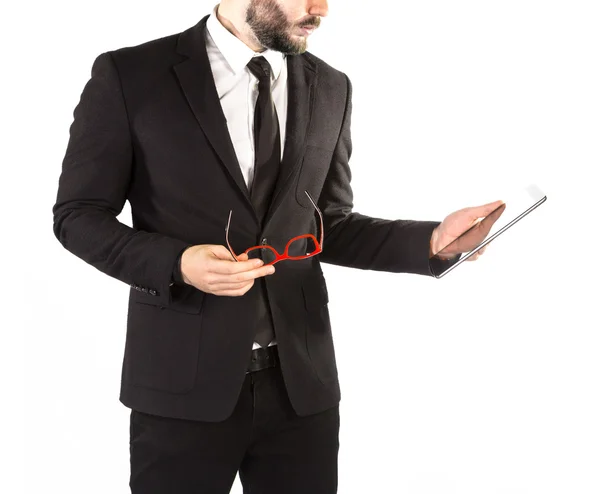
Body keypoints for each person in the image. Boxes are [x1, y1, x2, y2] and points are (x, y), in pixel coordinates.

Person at [52, 0, 502, 492]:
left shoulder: (331, 86)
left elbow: (327, 224)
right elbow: (78, 216)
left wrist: (432, 240)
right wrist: (177, 263)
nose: (321, 9)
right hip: (181, 385)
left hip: (300, 388)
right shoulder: (131, 74)